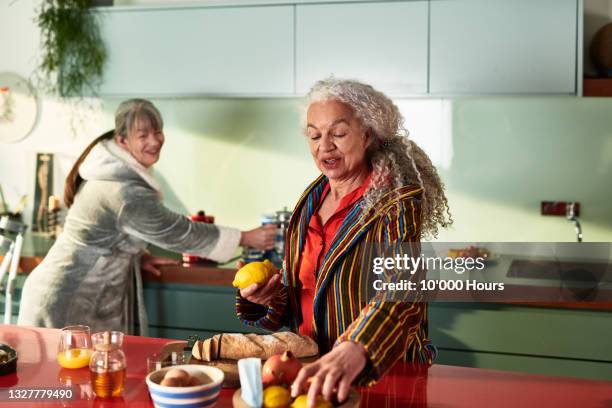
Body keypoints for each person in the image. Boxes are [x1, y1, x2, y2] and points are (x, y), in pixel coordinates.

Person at [236, 78, 452, 405]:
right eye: (314, 135)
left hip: (377, 376)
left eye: (338, 133)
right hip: (310, 374)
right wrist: (269, 298)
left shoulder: (396, 201)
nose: (325, 145)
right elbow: (305, 294)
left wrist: (357, 348)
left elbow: (403, 290)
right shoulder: (310, 199)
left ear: (367, 135)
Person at [18, 99, 275, 335]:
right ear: (122, 141)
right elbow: (177, 231)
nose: (154, 141)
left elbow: (109, 233)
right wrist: (246, 237)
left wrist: (136, 254)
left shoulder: (115, 172)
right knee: (65, 383)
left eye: (158, 132)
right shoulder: (123, 190)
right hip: (64, 299)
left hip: (74, 294)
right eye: (143, 135)